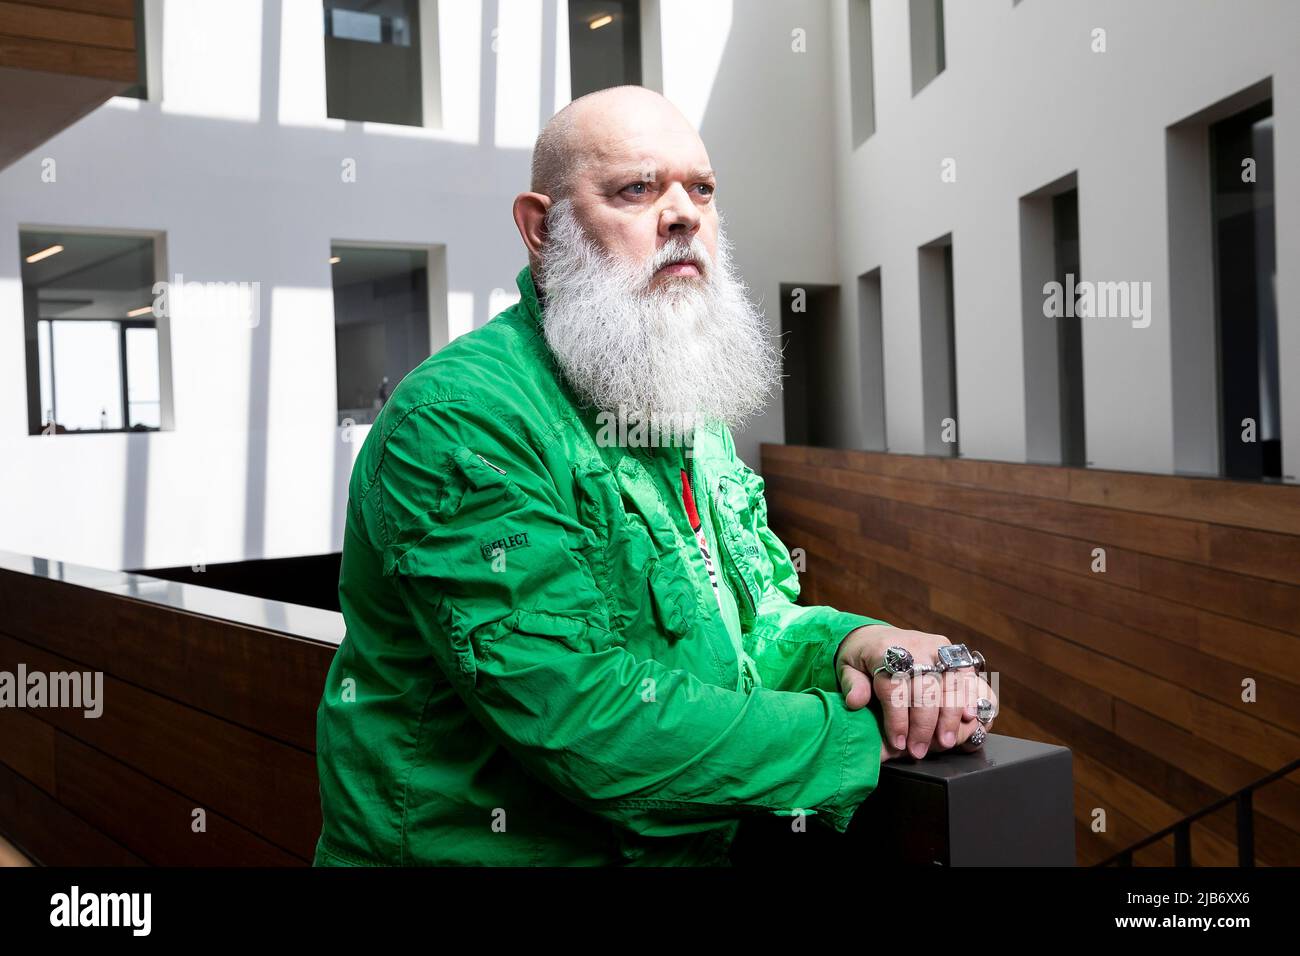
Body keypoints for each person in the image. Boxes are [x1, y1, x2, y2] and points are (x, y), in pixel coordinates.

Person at [314, 85, 997, 866]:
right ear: (542, 228)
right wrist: (857, 731)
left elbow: (751, 633)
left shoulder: (676, 408)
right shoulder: (459, 419)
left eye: (700, 189)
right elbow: (584, 720)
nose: (684, 215)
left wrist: (867, 643)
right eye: (637, 189)